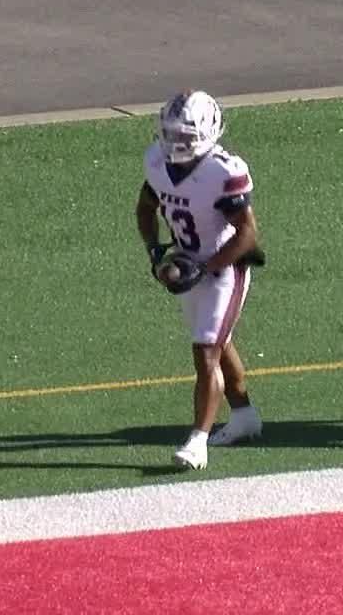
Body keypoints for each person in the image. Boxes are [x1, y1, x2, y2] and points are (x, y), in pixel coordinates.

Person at [135, 90, 265, 470]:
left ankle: (197, 441)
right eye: (173, 134)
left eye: (187, 136)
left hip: (227, 267)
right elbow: (145, 207)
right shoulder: (157, 163)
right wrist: (156, 251)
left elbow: (247, 234)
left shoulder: (223, 170)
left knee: (205, 349)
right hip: (189, 261)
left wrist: (207, 269)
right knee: (217, 344)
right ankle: (244, 416)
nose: (178, 143)